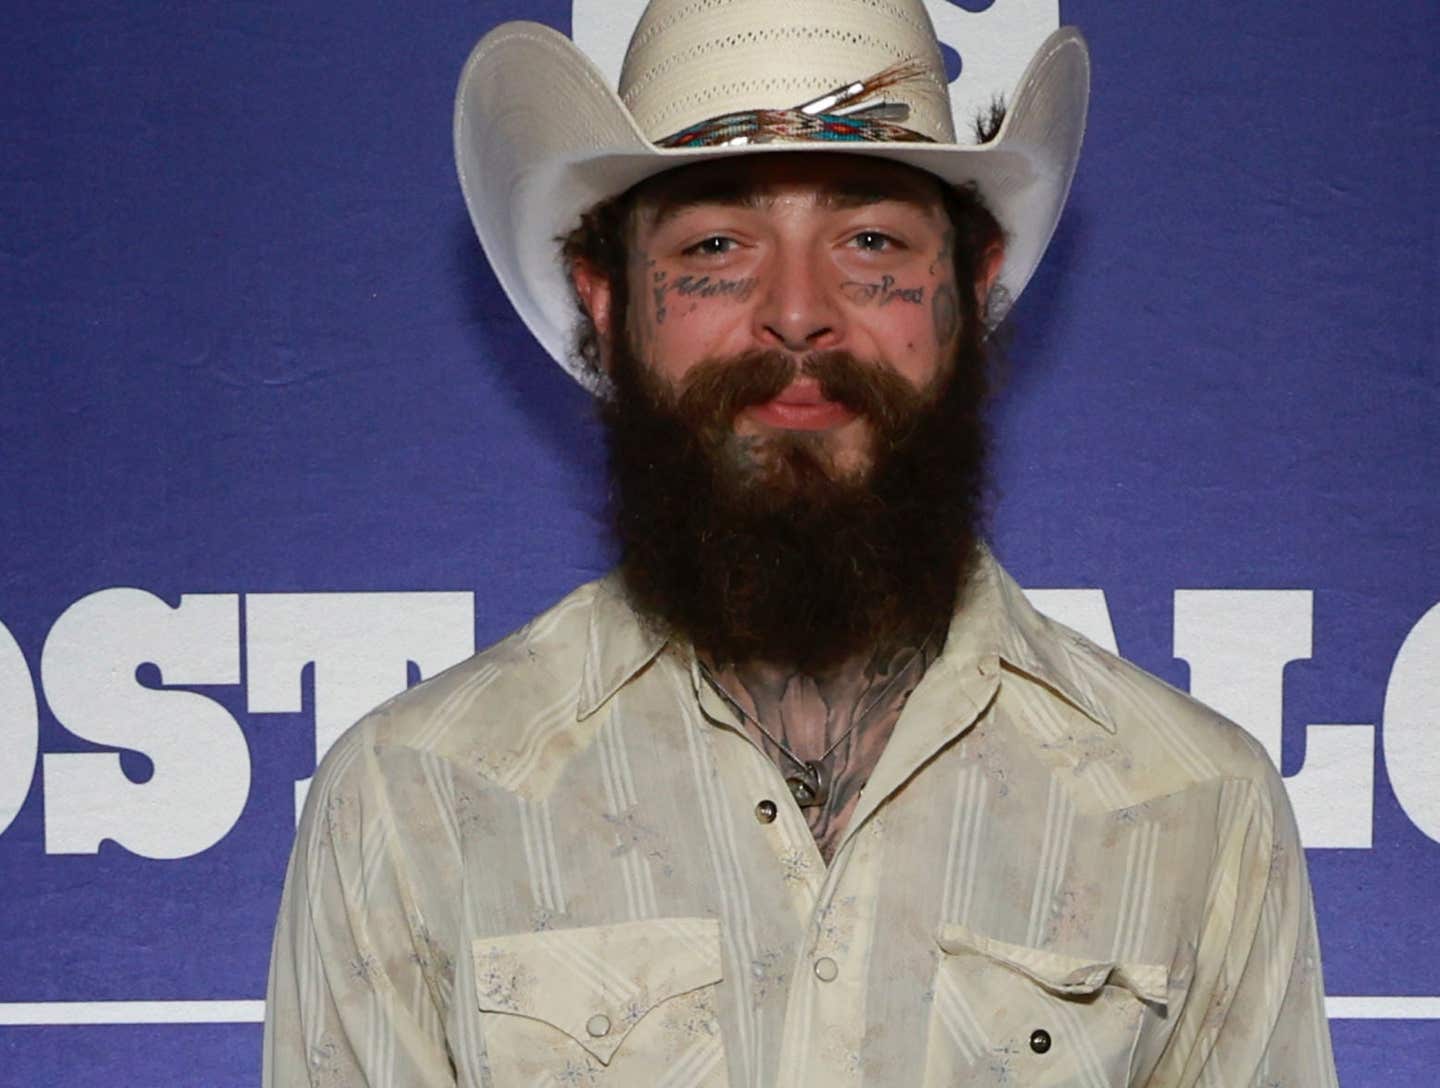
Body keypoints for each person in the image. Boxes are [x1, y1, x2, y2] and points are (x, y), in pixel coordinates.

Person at [263, 1, 1339, 1085]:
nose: (795, 312)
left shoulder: (1193, 806)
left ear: (972, 287)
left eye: (869, 241)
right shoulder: (415, 800)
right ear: (608, 299)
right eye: (717, 246)